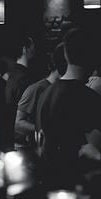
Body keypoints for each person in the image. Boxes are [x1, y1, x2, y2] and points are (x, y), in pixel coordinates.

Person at [35, 28, 101, 188]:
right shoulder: (89, 98)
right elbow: (93, 151)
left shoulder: (46, 93)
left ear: (65, 54)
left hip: (50, 184)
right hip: (78, 189)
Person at [15, 42, 66, 148]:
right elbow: (18, 123)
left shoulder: (64, 89)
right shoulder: (36, 89)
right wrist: (43, 130)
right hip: (36, 150)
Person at [5, 35, 38, 149]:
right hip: (23, 139)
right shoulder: (25, 77)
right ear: (25, 49)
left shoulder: (12, 74)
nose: (35, 50)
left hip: (11, 137)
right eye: (33, 47)